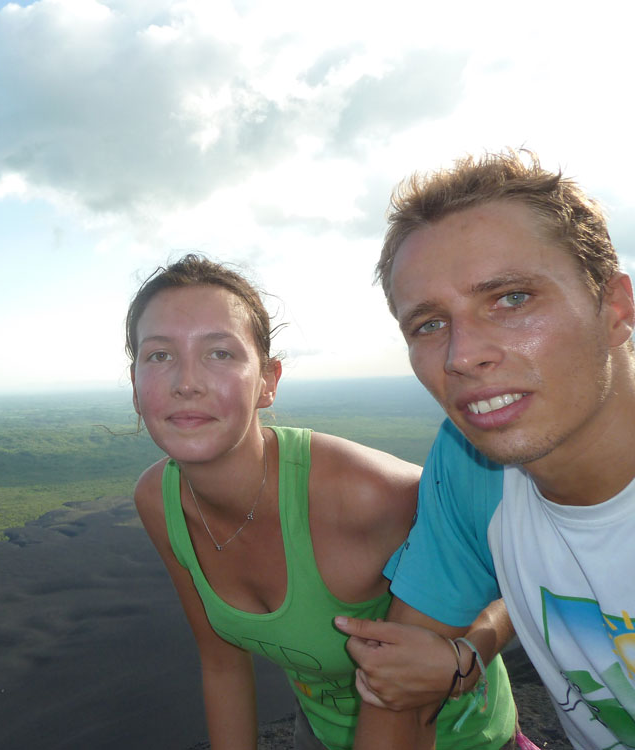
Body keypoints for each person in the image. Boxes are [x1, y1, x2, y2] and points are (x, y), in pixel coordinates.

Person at [127, 254, 519, 750]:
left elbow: (522, 552)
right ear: (135, 386)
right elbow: (222, 662)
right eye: (159, 355)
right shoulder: (159, 501)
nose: (186, 382)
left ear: (268, 381)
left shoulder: (366, 494)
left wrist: (470, 657)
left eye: (220, 353)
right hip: (317, 733)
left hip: (464, 740)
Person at [336, 150, 635, 750]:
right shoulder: (472, 463)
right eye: (429, 324)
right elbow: (398, 679)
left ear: (616, 309)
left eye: (512, 298)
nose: (462, 355)